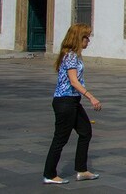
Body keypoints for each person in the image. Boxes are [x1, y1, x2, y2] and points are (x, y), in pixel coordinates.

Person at [43, 23, 102, 185]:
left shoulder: (74, 55)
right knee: (60, 138)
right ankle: (49, 174)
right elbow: (74, 82)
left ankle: (82, 170)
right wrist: (91, 97)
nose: (88, 41)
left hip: (72, 101)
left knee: (85, 131)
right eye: (86, 37)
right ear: (78, 38)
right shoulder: (70, 56)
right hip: (65, 101)